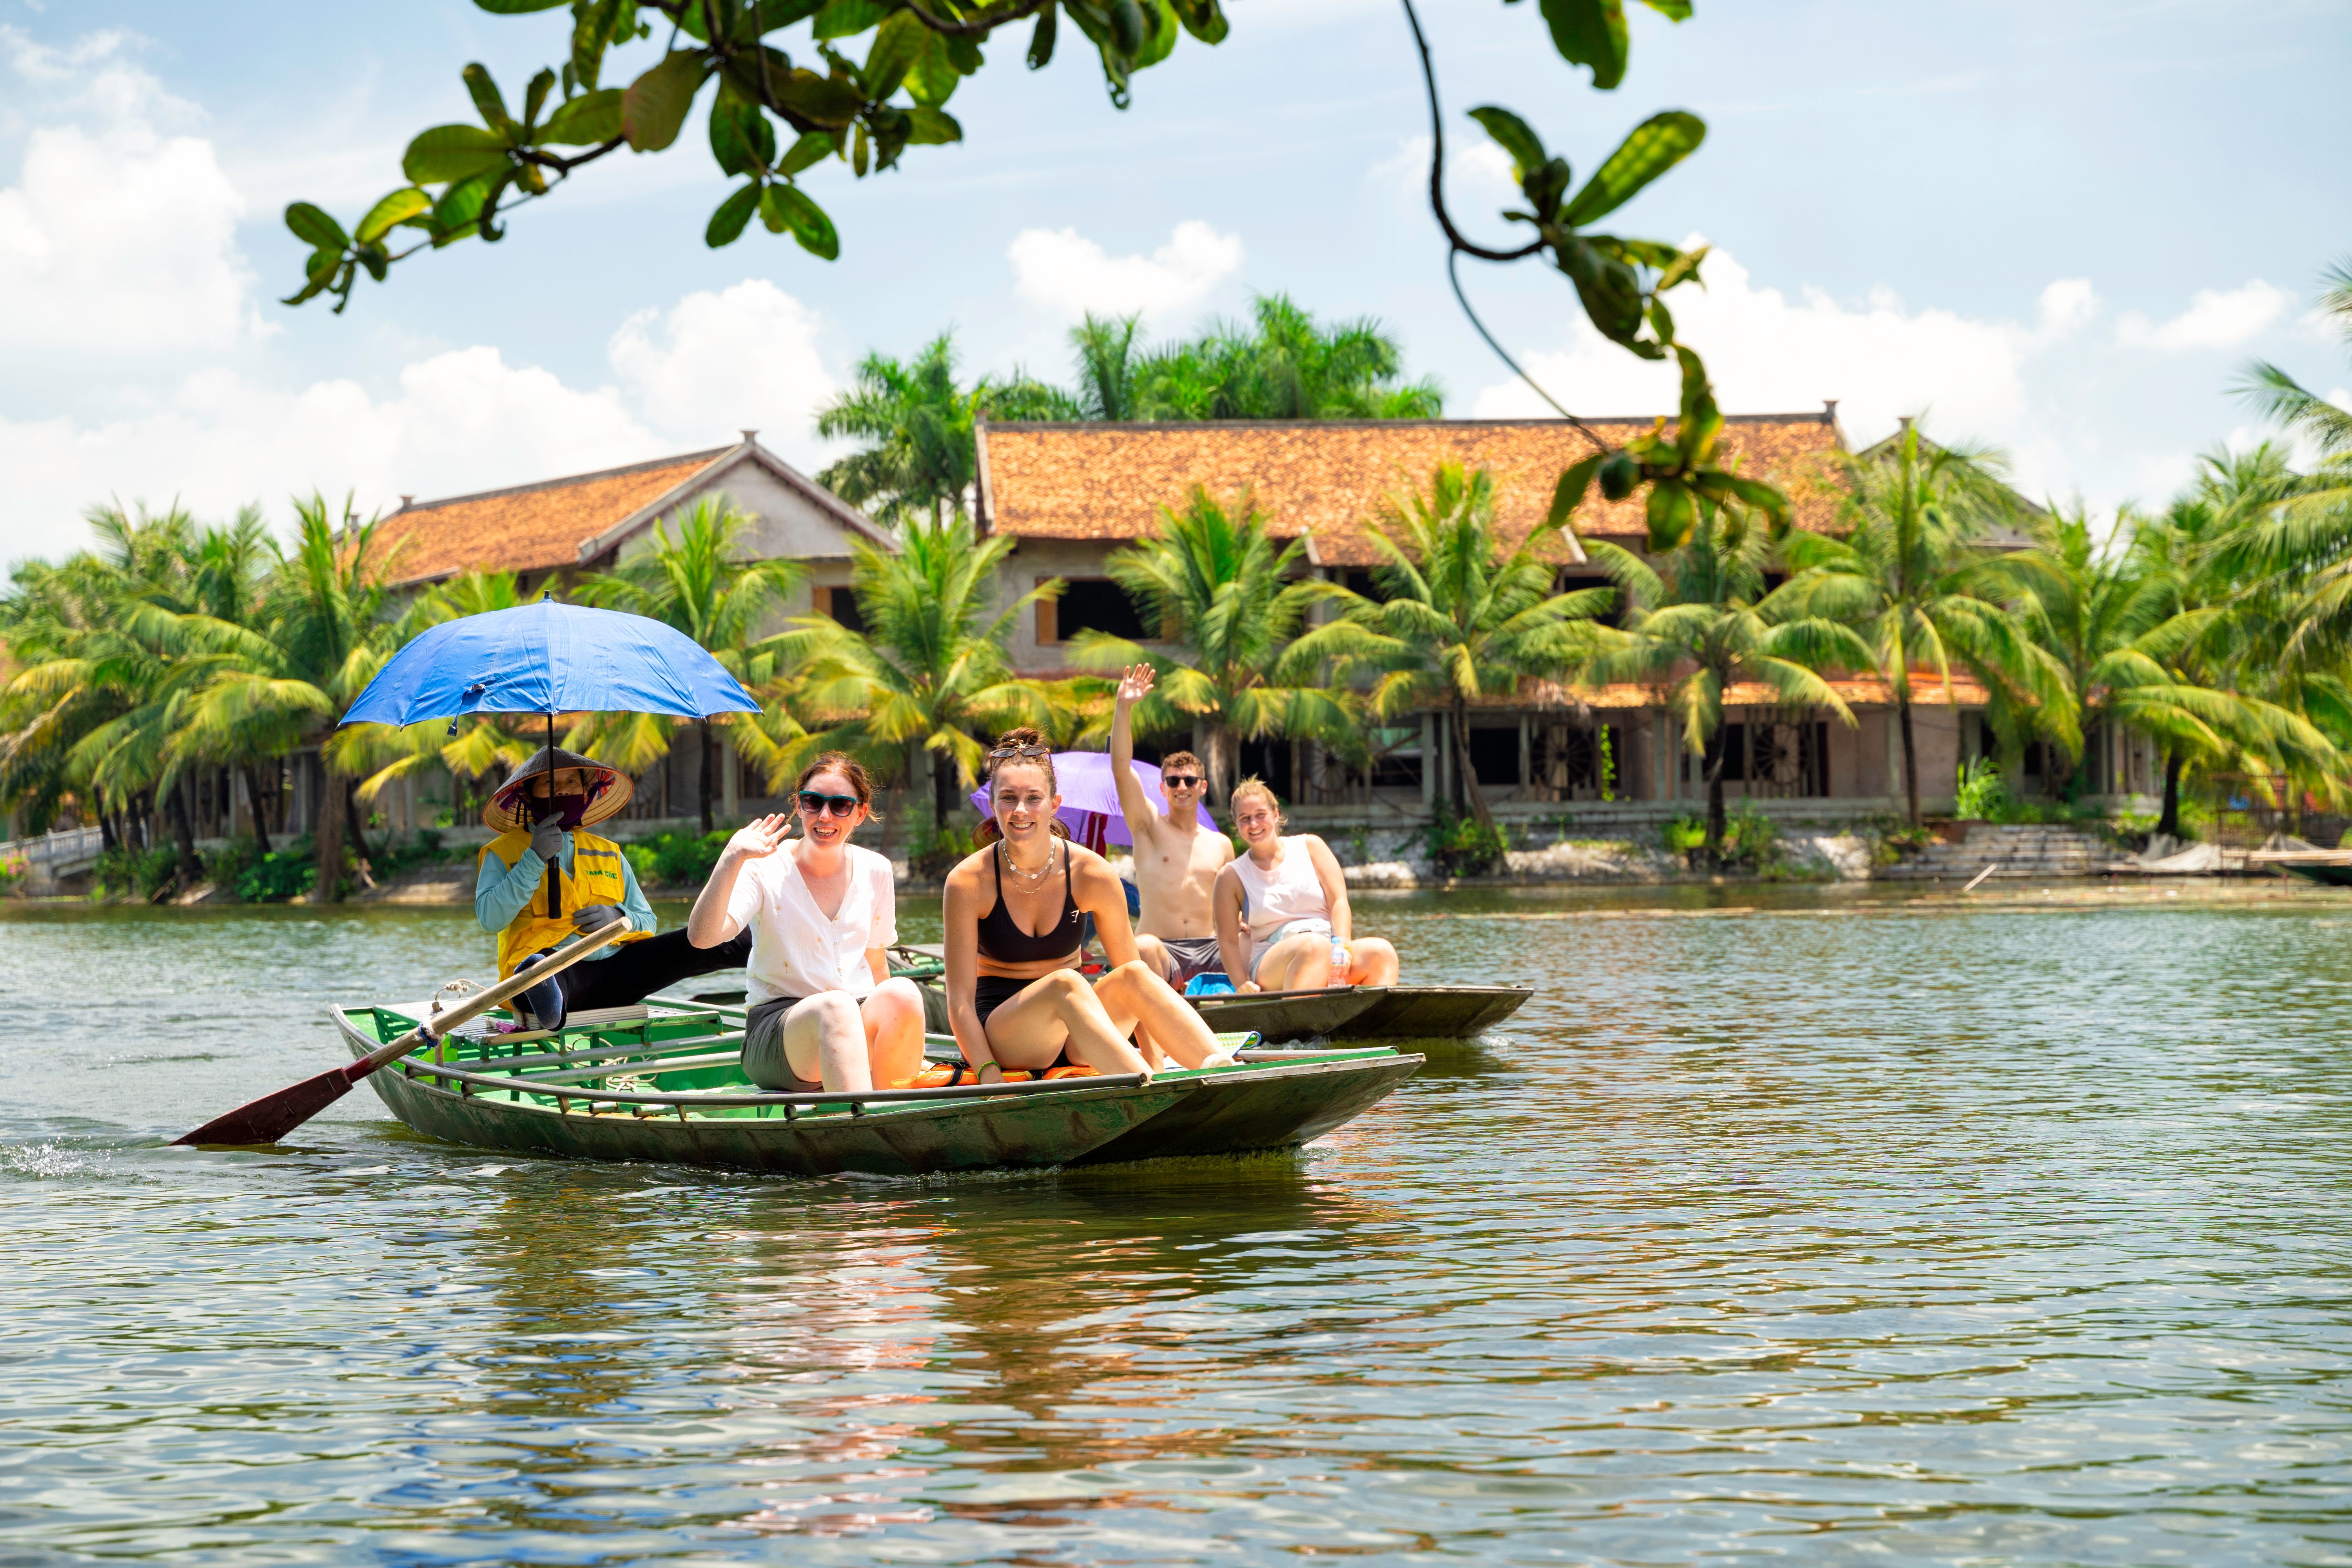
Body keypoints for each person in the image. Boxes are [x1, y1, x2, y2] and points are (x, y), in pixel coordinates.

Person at [941, 727, 1238, 1081]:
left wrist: (1156, 1059)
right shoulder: (967, 881)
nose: (1020, 810)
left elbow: (1136, 986)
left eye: (1033, 798)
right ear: (993, 805)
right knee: (1066, 982)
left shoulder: (1091, 873)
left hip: (1079, 1033)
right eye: (1008, 798)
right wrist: (987, 1070)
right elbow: (959, 1001)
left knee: (1135, 972)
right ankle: (1151, 1094)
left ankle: (1223, 1074)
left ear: (1054, 804)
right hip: (1009, 1037)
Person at [685, 754, 927, 1094]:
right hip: (778, 1033)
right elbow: (702, 938)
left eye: (841, 805)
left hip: (850, 1019)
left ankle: (895, 1109)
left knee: (903, 992)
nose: (825, 816)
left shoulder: (877, 869)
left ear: (860, 812)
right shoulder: (763, 867)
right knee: (836, 1006)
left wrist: (900, 1036)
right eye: (813, 802)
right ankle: (861, 1126)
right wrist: (731, 859)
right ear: (799, 806)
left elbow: (876, 963)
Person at [475, 746, 751, 1030]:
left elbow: (648, 922)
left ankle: (765, 949)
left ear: (585, 792)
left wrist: (620, 918)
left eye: (572, 782)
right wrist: (533, 859)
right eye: (551, 783)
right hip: (555, 976)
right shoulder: (502, 853)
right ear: (529, 794)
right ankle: (547, 996)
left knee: (702, 942)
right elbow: (490, 919)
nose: (563, 790)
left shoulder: (609, 852)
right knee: (541, 971)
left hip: (617, 975)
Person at [1211, 778, 1401, 993]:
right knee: (1314, 947)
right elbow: (1227, 941)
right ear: (1236, 824)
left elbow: (1339, 901)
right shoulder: (1230, 876)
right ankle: (1298, 1021)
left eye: (1260, 815)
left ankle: (1368, 1023)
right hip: (1273, 960)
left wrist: (1344, 946)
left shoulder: (1311, 847)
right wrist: (1241, 984)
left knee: (1382, 952)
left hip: (1327, 946)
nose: (1254, 824)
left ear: (1275, 814)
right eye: (1245, 819)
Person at [1108, 664, 1233, 987]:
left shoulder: (1221, 845)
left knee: (1251, 942)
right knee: (1145, 946)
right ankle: (1153, 1020)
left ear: (1202, 787)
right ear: (1163, 788)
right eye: (1173, 781)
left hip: (1210, 949)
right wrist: (1123, 707)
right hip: (1162, 949)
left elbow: (1235, 904)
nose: (1182, 787)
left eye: (1190, 780)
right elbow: (1122, 769)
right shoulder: (1148, 827)